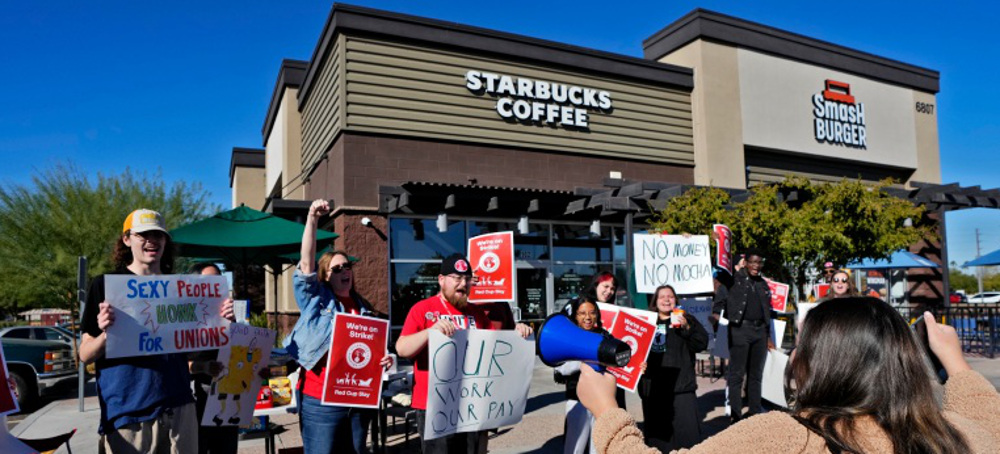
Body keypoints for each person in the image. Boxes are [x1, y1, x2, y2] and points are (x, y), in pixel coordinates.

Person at [577, 297, 1000, 453]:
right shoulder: (955, 434)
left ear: (824, 363)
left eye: (805, 343)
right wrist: (956, 362)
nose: (795, 352)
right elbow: (986, 415)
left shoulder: (787, 438)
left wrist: (607, 412)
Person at [79, 209, 235, 453]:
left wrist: (222, 323)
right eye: (144, 235)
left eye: (158, 235)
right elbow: (85, 354)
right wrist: (107, 334)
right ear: (127, 239)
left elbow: (190, 349)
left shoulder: (180, 289)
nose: (152, 241)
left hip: (181, 409)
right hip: (130, 415)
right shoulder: (106, 285)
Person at [283, 199, 392, 454]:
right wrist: (312, 217)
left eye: (348, 266)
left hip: (357, 399)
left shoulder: (363, 306)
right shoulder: (317, 300)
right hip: (320, 399)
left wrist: (383, 359)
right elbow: (307, 265)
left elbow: (367, 350)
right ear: (326, 275)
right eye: (337, 268)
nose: (345, 270)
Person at [396, 253, 533, 454]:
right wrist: (429, 332)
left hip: (471, 405)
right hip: (435, 406)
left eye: (467, 279)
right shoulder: (423, 309)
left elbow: (495, 349)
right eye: (457, 278)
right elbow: (402, 348)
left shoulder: (476, 313)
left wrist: (518, 333)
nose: (463, 284)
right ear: (441, 280)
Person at [638, 285, 708, 450]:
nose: (666, 300)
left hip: (681, 390)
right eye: (662, 297)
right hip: (655, 392)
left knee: (689, 443)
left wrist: (686, 328)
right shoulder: (648, 322)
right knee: (660, 443)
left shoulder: (686, 319)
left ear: (675, 300)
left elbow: (701, 343)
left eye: (670, 296)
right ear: (655, 302)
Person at [554, 296, 624, 454]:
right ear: (575, 315)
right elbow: (560, 370)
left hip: (601, 401)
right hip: (577, 400)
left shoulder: (605, 336)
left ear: (597, 314)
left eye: (592, 312)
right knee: (574, 447)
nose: (587, 317)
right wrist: (587, 360)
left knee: (599, 447)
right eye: (582, 313)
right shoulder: (567, 336)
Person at [710, 249, 773, 423]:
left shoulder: (763, 283)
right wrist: (715, 317)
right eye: (753, 262)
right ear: (745, 262)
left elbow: (768, 311)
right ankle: (736, 415)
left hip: (760, 332)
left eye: (759, 263)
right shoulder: (732, 281)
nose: (756, 266)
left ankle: (754, 412)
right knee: (737, 374)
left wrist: (769, 337)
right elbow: (719, 303)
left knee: (756, 375)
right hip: (739, 330)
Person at [188, 263, 241, 454]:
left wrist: (233, 323)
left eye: (219, 280)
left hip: (225, 396)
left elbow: (241, 353)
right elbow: (174, 363)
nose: (215, 285)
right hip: (196, 399)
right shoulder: (183, 320)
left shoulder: (226, 316)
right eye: (209, 281)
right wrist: (202, 367)